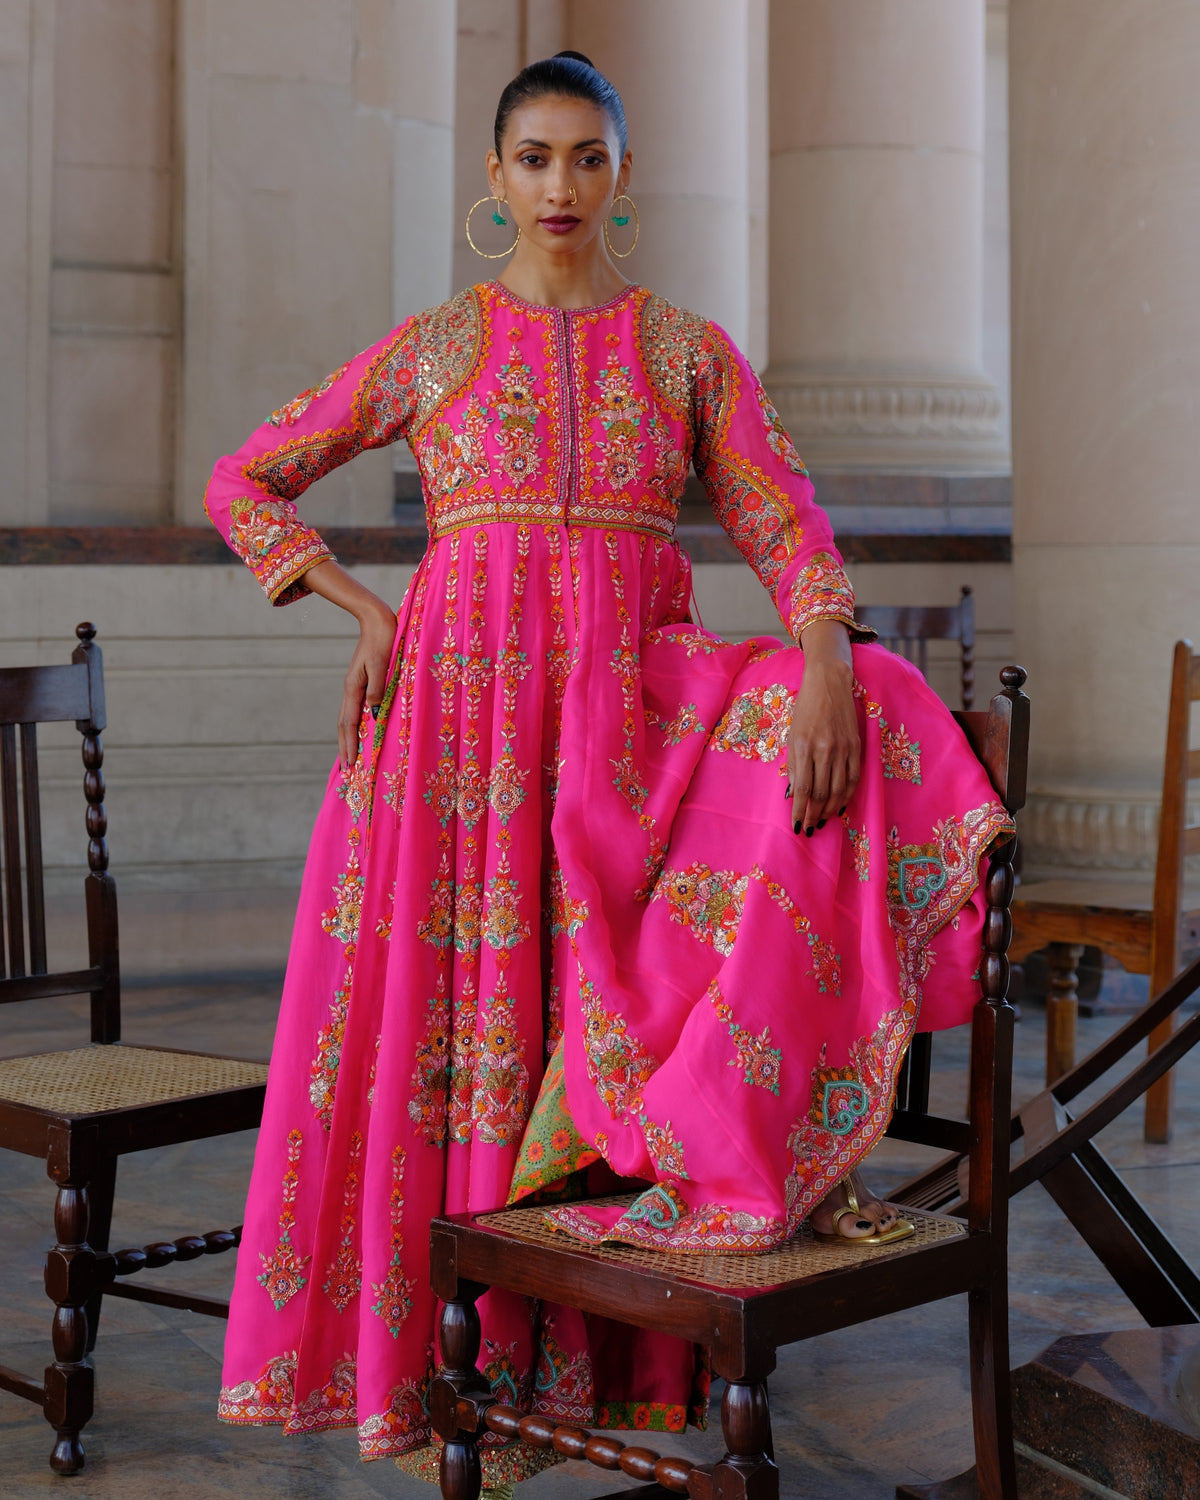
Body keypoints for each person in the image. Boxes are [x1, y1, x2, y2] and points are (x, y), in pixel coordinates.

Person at [204, 51, 1011, 1484]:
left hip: (629, 738)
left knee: (829, 740)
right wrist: (362, 607)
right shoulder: (437, 347)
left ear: (622, 176)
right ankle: (453, 1373)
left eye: (587, 157)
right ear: (495, 177)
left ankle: (601, 1360)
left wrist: (828, 654)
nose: (560, 186)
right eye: (534, 158)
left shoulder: (688, 352)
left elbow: (786, 525)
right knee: (454, 1028)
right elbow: (245, 478)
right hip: (456, 734)